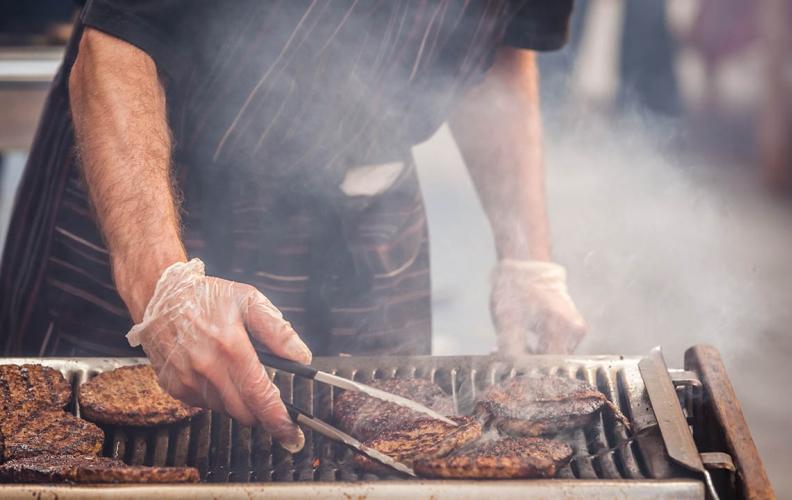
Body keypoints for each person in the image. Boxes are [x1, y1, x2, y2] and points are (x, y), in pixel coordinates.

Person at [0, 1, 585, 452]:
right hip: (161, 198)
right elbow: (115, 45)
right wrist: (164, 287)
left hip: (367, 225)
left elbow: (501, 43)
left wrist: (528, 261)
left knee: (382, 450)